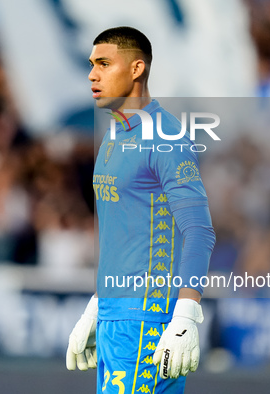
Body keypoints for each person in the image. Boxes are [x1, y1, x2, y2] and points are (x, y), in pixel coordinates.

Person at [66, 26, 216, 394]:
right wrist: (99, 304)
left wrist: (185, 315)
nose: (92, 74)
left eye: (104, 63)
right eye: (91, 64)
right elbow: (124, 233)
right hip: (116, 319)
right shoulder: (113, 137)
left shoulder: (166, 138)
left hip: (148, 323)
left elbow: (199, 231)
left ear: (136, 69)